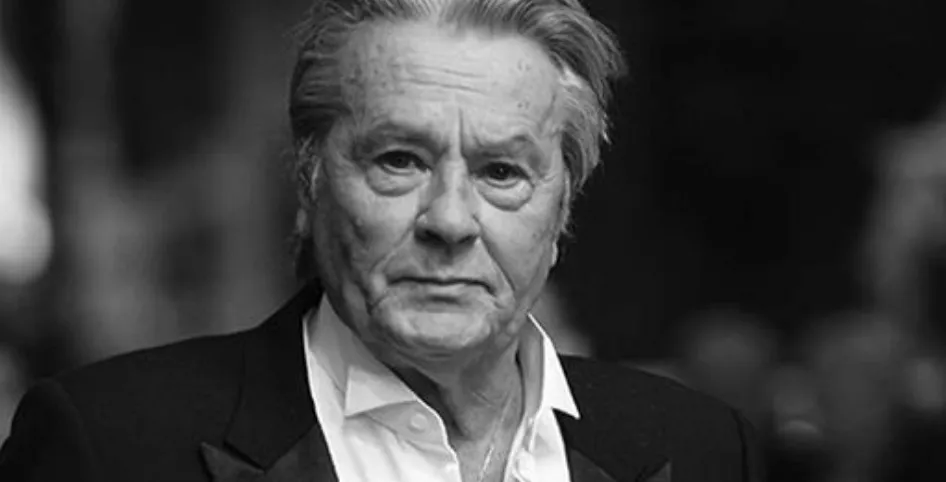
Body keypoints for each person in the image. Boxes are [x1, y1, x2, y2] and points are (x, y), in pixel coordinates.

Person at [0, 1, 763, 481]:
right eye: (400, 160)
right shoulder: (108, 448)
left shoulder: (702, 449)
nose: (450, 221)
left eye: (501, 172)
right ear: (309, 185)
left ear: (561, 210)